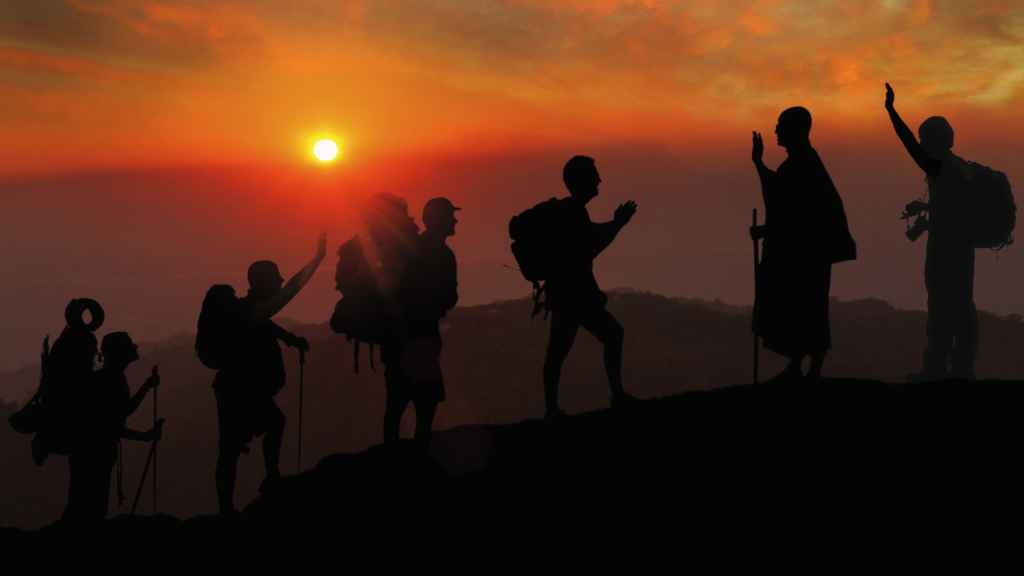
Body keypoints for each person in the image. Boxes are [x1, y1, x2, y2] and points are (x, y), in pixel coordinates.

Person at [214, 231, 326, 516]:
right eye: (275, 277)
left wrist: (290, 339)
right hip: (241, 389)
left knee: (233, 446)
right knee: (250, 437)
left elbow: (266, 325)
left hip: (232, 387)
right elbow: (292, 289)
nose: (279, 281)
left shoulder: (249, 308)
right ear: (264, 282)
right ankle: (265, 481)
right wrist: (318, 258)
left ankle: (231, 504)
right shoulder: (255, 309)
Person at [750, 107, 856, 381]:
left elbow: (797, 211)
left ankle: (813, 370)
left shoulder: (804, 163)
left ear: (794, 129)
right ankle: (797, 365)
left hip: (808, 253)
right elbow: (785, 203)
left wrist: (768, 228)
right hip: (802, 251)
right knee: (800, 306)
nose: (775, 131)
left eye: (780, 126)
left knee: (810, 306)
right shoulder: (800, 162)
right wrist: (759, 163)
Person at [884, 83, 978, 382]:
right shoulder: (960, 166)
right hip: (963, 250)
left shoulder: (938, 166)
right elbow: (955, 211)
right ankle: (962, 366)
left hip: (945, 251)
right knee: (962, 304)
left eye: (925, 139)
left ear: (935, 141)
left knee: (940, 306)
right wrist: (925, 211)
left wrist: (891, 111)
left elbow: (907, 143)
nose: (921, 144)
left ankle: (937, 367)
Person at [543, 156, 638, 419]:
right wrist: (618, 223)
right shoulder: (573, 212)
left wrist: (617, 222)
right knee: (612, 335)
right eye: (594, 175)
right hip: (576, 296)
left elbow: (593, 234)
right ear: (582, 180)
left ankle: (551, 410)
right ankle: (617, 397)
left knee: (558, 351)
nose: (599, 180)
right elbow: (591, 246)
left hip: (564, 294)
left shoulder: (570, 211)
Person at [381, 197, 460, 453]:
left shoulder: (410, 247)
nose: (455, 220)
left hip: (397, 337)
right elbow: (449, 297)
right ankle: (419, 455)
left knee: (397, 402)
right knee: (425, 402)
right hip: (422, 337)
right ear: (440, 221)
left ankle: (393, 455)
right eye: (450, 216)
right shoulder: (443, 255)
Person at [62, 332, 162, 522]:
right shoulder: (113, 380)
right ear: (120, 352)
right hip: (95, 454)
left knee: (81, 507)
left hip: (86, 453)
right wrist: (147, 387)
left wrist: (147, 386)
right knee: (92, 508)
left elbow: (113, 420)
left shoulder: (105, 378)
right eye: (130, 344)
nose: (135, 347)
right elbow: (118, 416)